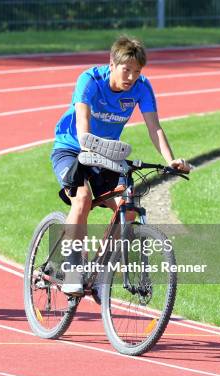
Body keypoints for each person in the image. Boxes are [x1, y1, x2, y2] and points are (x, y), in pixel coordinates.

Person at [51, 35, 191, 294]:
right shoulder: (90, 80)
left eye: (137, 72)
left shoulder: (142, 87)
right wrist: (85, 146)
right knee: (81, 199)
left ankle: (101, 271)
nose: (131, 77)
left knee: (128, 210)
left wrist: (170, 159)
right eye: (126, 70)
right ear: (112, 65)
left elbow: (154, 127)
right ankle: (73, 267)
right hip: (72, 149)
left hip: (106, 153)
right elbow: (82, 116)